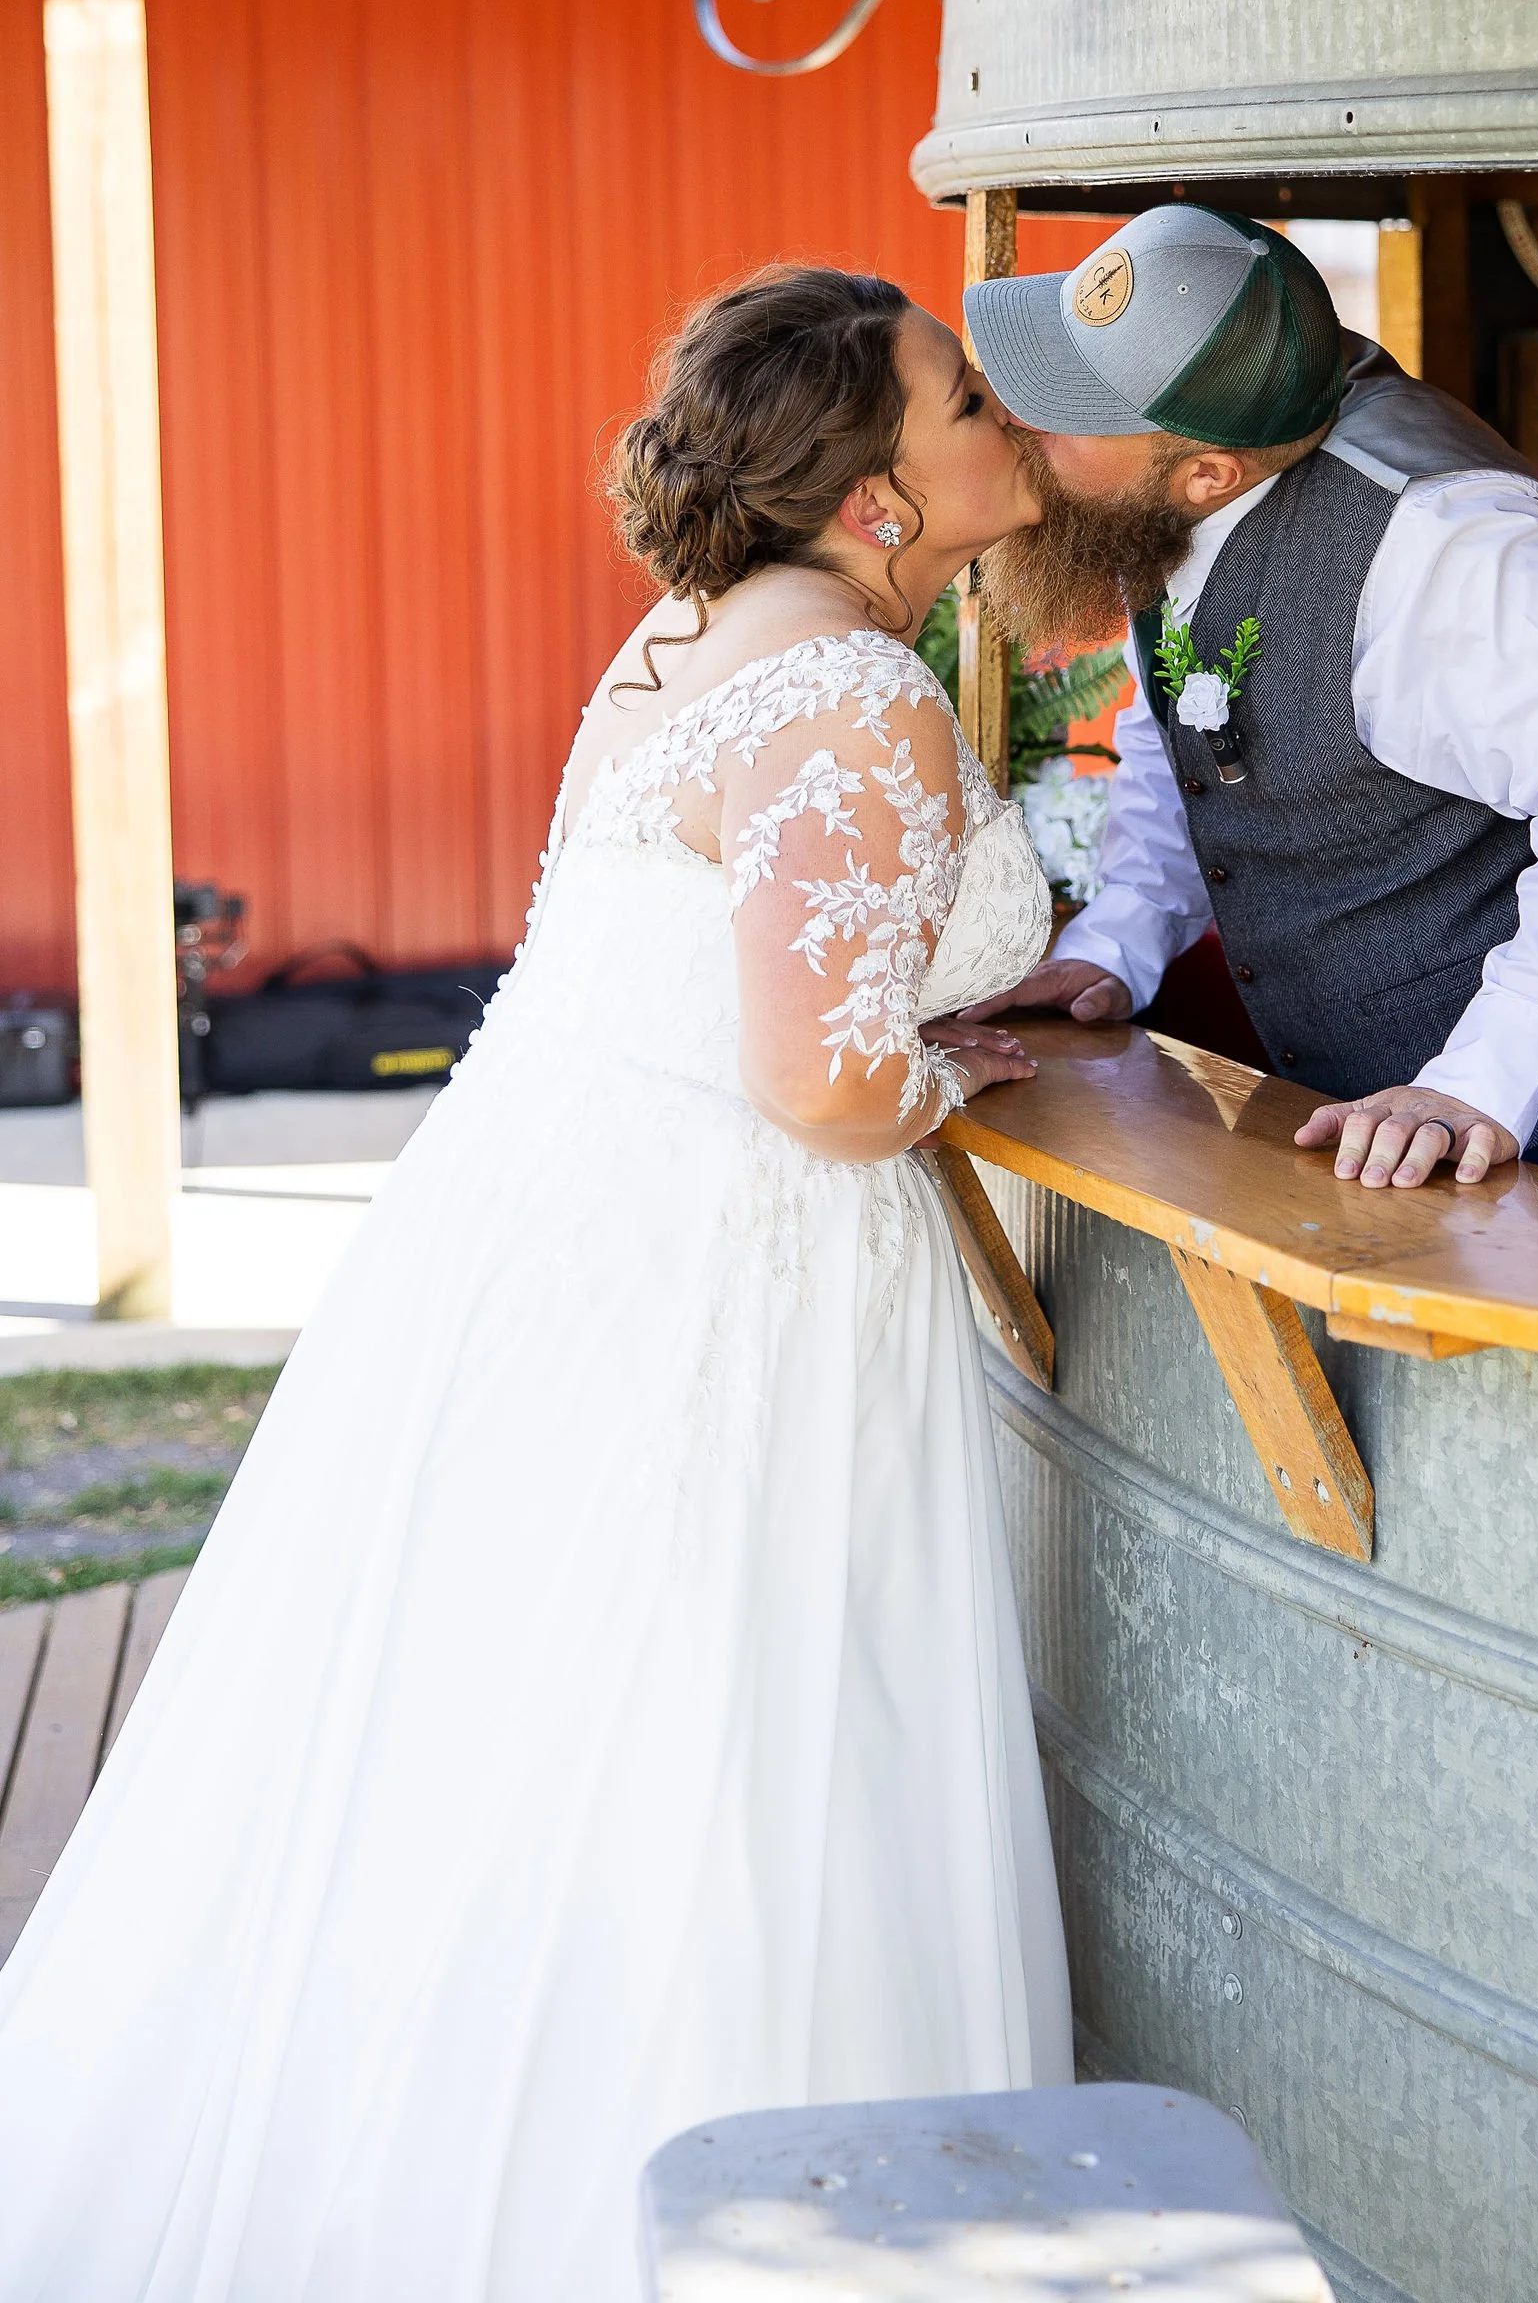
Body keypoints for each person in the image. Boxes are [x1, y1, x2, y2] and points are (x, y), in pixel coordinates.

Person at [0, 269, 1070, 2303]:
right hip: (719, 1279)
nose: (995, 414)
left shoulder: (692, 641)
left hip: (551, 1226)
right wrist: (954, 1063)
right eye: (956, 396)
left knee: (532, 1735)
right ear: (873, 498)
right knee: (723, 1746)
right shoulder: (851, 687)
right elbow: (826, 1083)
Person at [964, 203, 1538, 1222]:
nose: (1019, 422)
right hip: (1428, 1137)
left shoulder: (1442, 545)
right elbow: (1183, 730)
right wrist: (1119, 938)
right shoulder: (1170, 479)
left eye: (1074, 412)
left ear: (1207, 474)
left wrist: (1485, 1076)